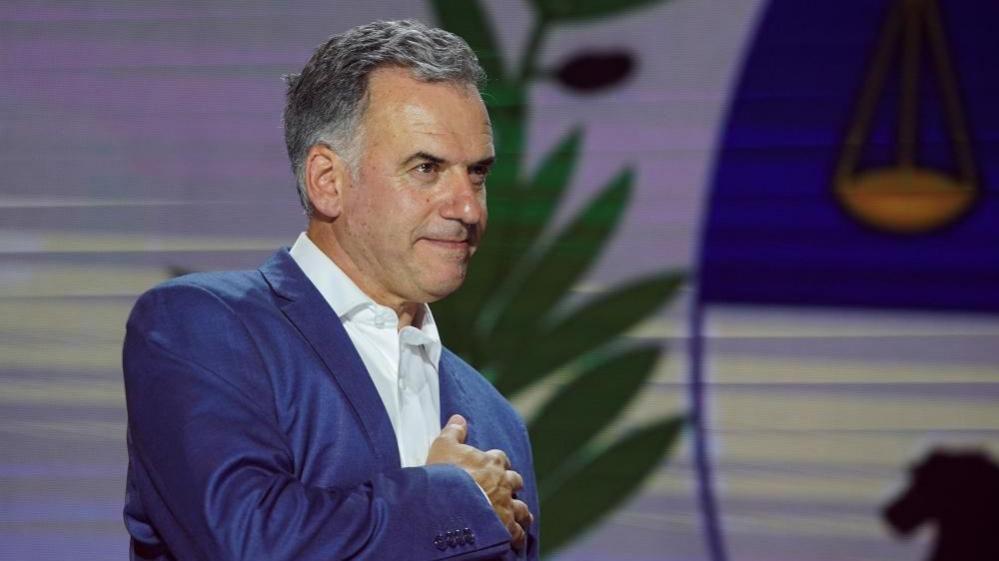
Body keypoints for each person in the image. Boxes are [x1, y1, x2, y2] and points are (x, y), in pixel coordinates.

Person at [122, 20, 539, 561]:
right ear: (327, 180)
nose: (468, 208)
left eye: (477, 174)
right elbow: (247, 542)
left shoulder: (495, 417)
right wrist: (452, 499)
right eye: (427, 168)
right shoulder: (201, 327)